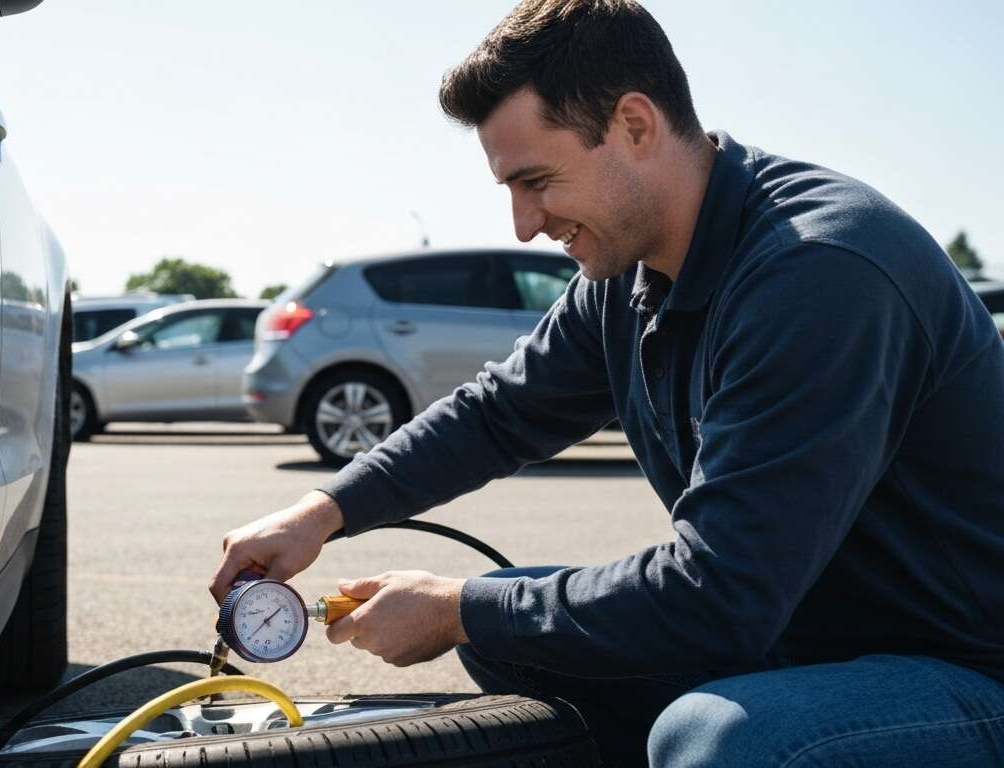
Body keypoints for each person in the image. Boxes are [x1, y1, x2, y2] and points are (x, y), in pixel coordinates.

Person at [210, 0, 1004, 765]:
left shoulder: (820, 273)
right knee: (514, 635)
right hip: (802, 641)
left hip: (964, 667)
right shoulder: (626, 275)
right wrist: (322, 513)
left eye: (537, 181)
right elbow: (496, 416)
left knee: (726, 739)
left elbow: (718, 596)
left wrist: (455, 609)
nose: (524, 223)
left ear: (633, 125)